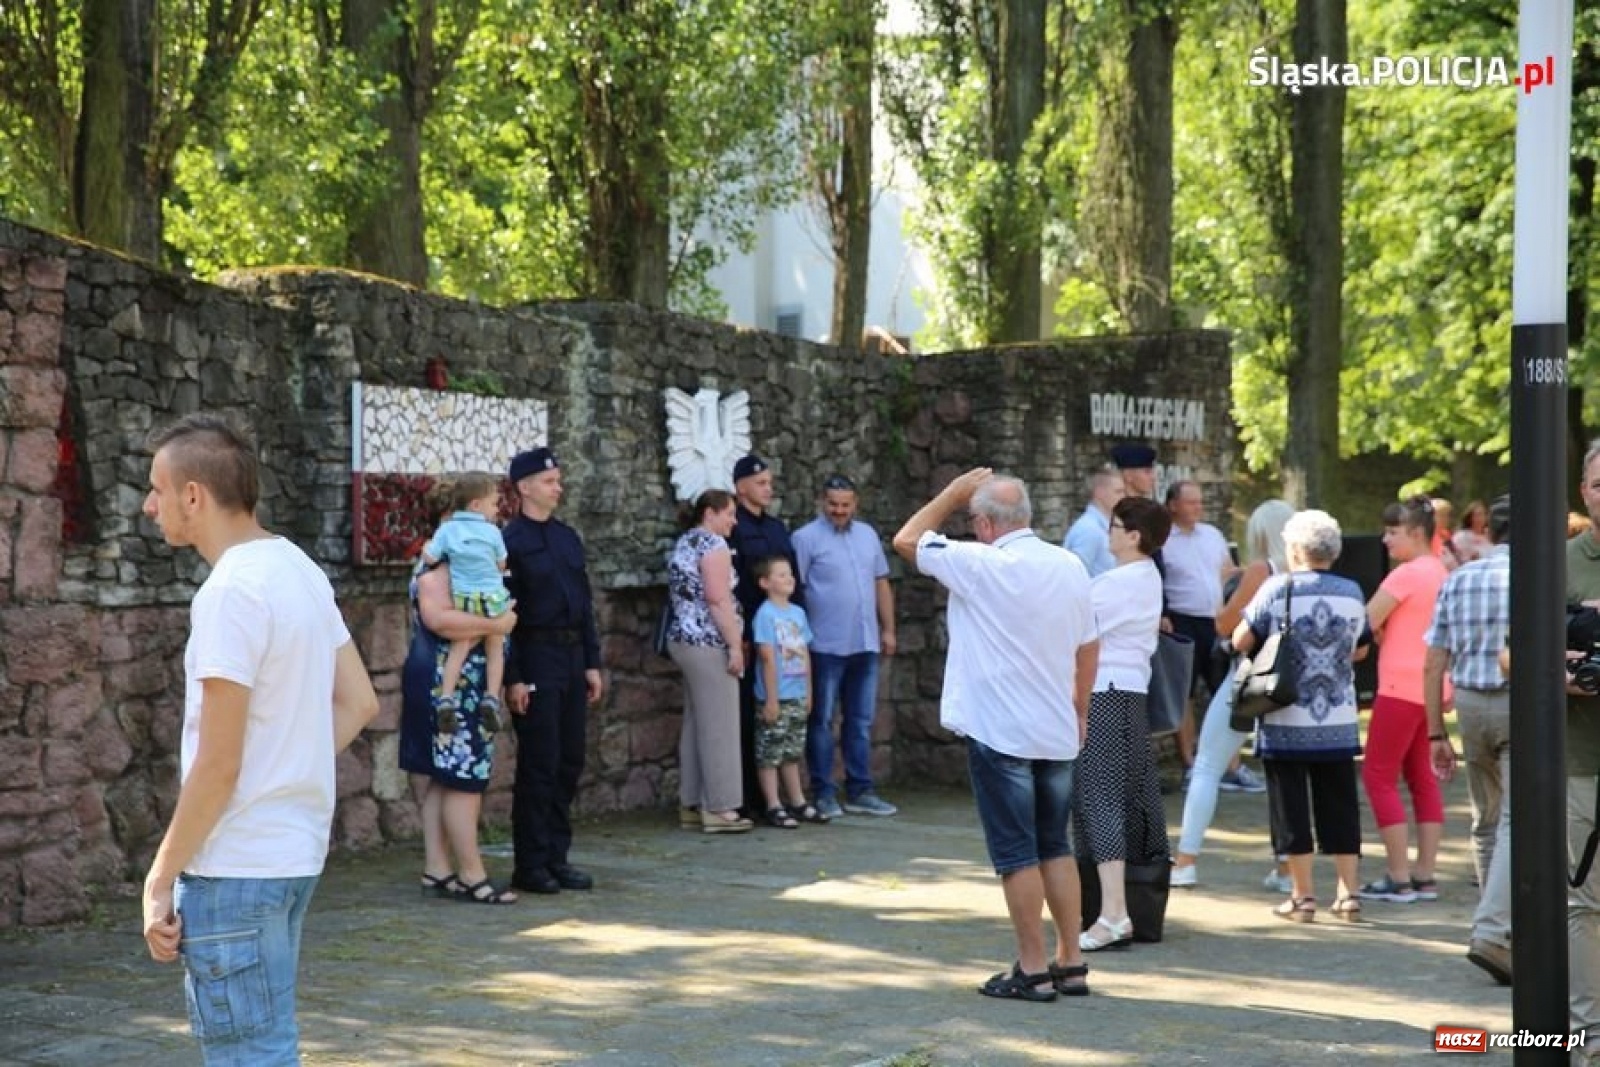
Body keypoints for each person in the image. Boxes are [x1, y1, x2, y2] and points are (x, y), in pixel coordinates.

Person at [139, 413, 379, 1063]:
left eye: (157, 487)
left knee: (251, 1054)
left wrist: (159, 878)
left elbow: (219, 762)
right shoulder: (297, 568)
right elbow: (360, 700)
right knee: (268, 1046)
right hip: (292, 856)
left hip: (234, 866)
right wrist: (283, 767)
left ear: (195, 495)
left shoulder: (230, 592)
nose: (148, 503)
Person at [893, 468, 1098, 1002]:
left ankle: (1031, 967)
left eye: (971, 516)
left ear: (982, 523)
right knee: (1056, 844)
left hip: (1000, 730)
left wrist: (950, 493)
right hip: (1055, 728)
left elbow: (907, 540)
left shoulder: (979, 563)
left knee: (1016, 853)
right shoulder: (1070, 565)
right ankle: (1070, 960)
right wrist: (1079, 710)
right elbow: (1088, 645)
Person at [1233, 509, 1370, 924]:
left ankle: (1303, 895)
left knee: (1289, 806)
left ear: (1294, 549)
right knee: (1341, 804)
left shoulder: (1277, 589)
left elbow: (1242, 639)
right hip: (1337, 717)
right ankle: (1348, 893)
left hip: (1285, 716)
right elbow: (1360, 647)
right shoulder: (1352, 590)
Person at [400, 478, 521, 906]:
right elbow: (440, 621)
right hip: (451, 685)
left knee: (442, 777)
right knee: (464, 778)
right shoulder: (438, 570)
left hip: (454, 680)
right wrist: (498, 625)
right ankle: (472, 873)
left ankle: (438, 868)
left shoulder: (461, 564)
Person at [1170, 498, 1294, 889]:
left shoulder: (1261, 570)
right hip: (1292, 681)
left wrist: (1229, 588)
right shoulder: (1305, 573)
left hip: (1250, 675)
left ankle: (1186, 861)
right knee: (1285, 774)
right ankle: (1287, 868)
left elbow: (1225, 625)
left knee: (1207, 765)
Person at [503, 448, 604, 895]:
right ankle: (531, 862)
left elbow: (584, 606)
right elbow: (507, 615)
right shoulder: (511, 541)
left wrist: (592, 662)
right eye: (549, 481)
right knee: (539, 763)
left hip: (570, 656)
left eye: (558, 480)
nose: (557, 487)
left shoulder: (567, 538)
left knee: (569, 759)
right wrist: (514, 676)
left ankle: (557, 856)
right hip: (536, 654)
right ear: (524, 487)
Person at [1074, 496, 1171, 951]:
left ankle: (1113, 913)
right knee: (1120, 799)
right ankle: (1113, 908)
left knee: (1100, 798)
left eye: (1114, 526)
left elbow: (1074, 629)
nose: (1107, 532)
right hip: (1127, 692)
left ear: (1134, 535)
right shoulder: (1143, 578)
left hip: (1108, 692)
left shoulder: (1121, 582)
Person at [1425, 495, 1511, 984]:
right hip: (1517, 702)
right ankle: (1492, 930)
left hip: (1471, 706)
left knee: (1486, 819)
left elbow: (1434, 660)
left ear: (1490, 533)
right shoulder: (1542, 576)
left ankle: (1493, 925)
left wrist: (1436, 729)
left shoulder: (1459, 578)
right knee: (1516, 821)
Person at [1357, 495, 1449, 905]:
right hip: (1428, 690)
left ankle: (1397, 875)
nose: (1385, 539)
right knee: (1422, 778)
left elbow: (1363, 622)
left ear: (1415, 533)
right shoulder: (1441, 572)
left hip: (1397, 687)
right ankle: (1425, 873)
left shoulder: (1405, 576)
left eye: (1393, 531)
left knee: (1378, 776)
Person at [791, 473, 898, 820]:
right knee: (820, 721)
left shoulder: (867, 535)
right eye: (833, 505)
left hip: (864, 643)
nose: (839, 511)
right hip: (824, 645)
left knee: (860, 721)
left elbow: (880, 583)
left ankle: (860, 790)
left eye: (845, 505)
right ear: (823, 503)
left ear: (856, 504)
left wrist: (889, 629)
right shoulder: (805, 539)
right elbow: (796, 592)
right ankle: (823, 792)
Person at [667, 489, 752, 833]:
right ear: (711, 513)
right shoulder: (714, 546)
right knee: (720, 725)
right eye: (730, 513)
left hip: (683, 640)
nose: (734, 521)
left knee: (696, 723)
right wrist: (734, 646)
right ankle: (720, 806)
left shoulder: (686, 542)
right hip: (707, 643)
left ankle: (690, 802)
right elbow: (718, 601)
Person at [726, 454, 801, 817]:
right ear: (741, 488)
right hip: (750, 633)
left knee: (783, 715)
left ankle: (781, 799)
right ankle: (750, 799)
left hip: (783, 634)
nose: (768, 489)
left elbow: (793, 579)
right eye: (761, 483)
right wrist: (737, 631)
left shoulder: (776, 528)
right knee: (749, 713)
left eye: (770, 483)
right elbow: (731, 583)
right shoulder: (734, 527)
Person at [420, 472, 510, 734]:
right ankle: (492, 697)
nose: (496, 509)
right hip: (493, 598)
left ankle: (446, 698)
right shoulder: (493, 531)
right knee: (496, 645)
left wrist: (428, 548)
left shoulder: (447, 531)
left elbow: (430, 557)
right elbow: (502, 563)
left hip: (464, 598)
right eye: (494, 503)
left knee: (459, 647)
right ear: (476, 505)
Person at [1162, 480, 1239, 776]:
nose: (1198, 507)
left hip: (1218, 620)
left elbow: (1229, 573)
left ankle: (1232, 765)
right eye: (1191, 502)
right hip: (1183, 620)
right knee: (1185, 692)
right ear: (1173, 505)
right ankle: (1190, 762)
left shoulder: (1213, 535)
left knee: (1226, 689)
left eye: (1200, 502)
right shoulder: (1163, 541)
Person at [752, 557, 826, 827]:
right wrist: (770, 698)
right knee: (770, 752)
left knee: (792, 751)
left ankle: (797, 801)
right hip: (775, 696)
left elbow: (805, 653)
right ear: (765, 582)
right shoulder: (765, 614)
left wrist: (809, 691)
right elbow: (768, 658)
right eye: (781, 575)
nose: (789, 579)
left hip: (797, 693)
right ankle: (773, 804)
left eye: (790, 574)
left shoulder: (798, 613)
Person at [1569, 443, 1600, 1059]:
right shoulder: (1559, 562)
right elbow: (1510, 654)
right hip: (1579, 756)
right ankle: (1590, 1030)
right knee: (1585, 901)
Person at [1062, 464, 1126, 579]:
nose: (1124, 497)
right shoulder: (1088, 530)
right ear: (1099, 493)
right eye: (1118, 492)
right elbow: (1075, 577)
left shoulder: (1106, 526)